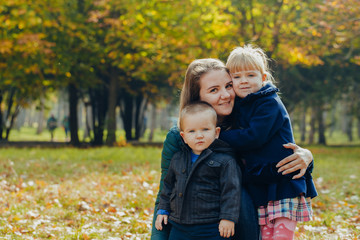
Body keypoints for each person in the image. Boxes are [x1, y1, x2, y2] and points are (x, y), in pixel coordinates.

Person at [151, 58, 314, 240]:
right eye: (214, 90)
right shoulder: (180, 137)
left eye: (229, 86)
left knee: (240, 189)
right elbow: (166, 190)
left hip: (241, 219)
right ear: (198, 98)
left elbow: (277, 152)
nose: (226, 95)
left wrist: (307, 157)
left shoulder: (246, 125)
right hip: (192, 225)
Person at [220, 44, 317, 240]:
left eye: (250, 75)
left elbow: (253, 136)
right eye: (237, 77)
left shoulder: (269, 103)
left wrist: (219, 136)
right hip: (262, 181)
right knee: (265, 234)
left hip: (283, 179)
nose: (243, 81)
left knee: (281, 234)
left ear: (263, 77)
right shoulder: (241, 104)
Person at [155, 102, 241, 239]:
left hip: (211, 226)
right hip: (179, 225)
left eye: (205, 129)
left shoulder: (225, 161)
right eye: (192, 131)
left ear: (216, 132)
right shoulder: (177, 159)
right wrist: (162, 210)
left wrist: (228, 217)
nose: (199, 135)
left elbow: (231, 191)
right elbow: (168, 186)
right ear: (183, 137)